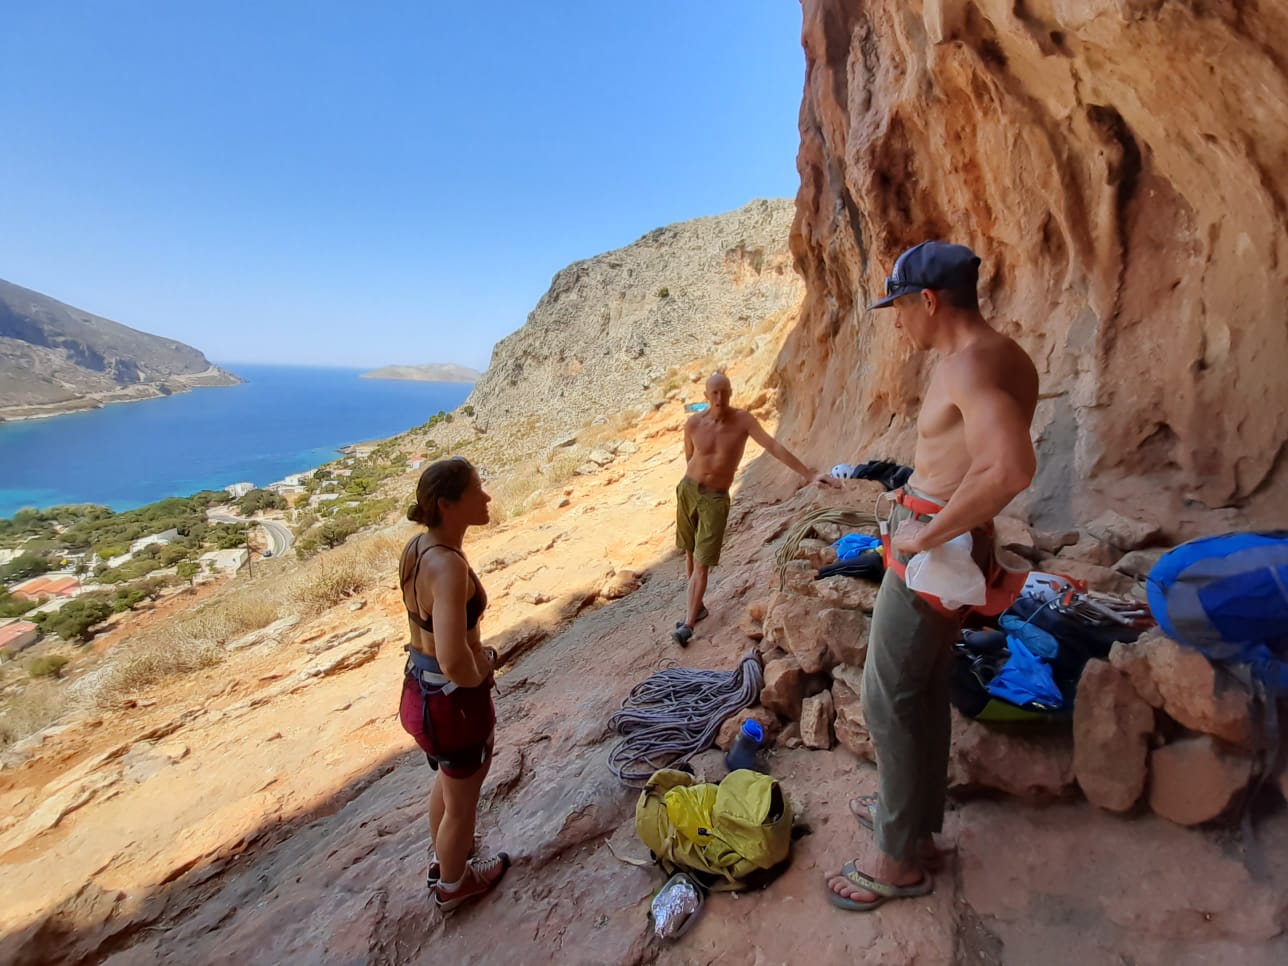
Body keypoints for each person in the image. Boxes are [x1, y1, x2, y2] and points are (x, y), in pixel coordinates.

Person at [825, 241, 1039, 911]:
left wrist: (925, 533)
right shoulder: (1006, 356)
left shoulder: (965, 368)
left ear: (927, 301)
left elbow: (1009, 468)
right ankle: (915, 826)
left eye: (897, 308)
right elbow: (974, 463)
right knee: (921, 690)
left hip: (934, 561)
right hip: (957, 548)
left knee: (887, 697)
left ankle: (895, 859)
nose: (895, 322)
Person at [398, 456, 510, 913]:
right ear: (447, 504)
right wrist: (482, 667)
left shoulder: (417, 548)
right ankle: (454, 884)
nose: (486, 498)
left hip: (418, 692)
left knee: (449, 784)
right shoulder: (449, 568)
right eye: (476, 492)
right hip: (453, 704)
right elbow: (452, 658)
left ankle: (448, 856)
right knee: (463, 802)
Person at [673, 371, 837, 646]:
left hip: (715, 498)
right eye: (714, 393)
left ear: (731, 393)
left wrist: (809, 475)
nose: (719, 398)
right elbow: (690, 457)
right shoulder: (693, 424)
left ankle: (688, 625)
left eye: (724, 391)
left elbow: (773, 446)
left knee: (702, 561)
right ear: (705, 396)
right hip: (688, 491)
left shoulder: (743, 421)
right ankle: (697, 607)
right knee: (689, 548)